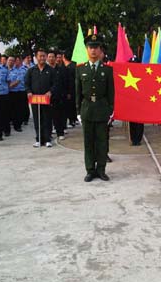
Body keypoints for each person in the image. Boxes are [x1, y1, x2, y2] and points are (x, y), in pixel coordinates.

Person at [76, 34, 114, 182]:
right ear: (87, 50)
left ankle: (101, 169)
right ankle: (90, 170)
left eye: (96, 47)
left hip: (102, 109)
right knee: (88, 141)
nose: (93, 50)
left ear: (100, 50)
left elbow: (111, 92)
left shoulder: (107, 70)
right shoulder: (80, 69)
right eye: (90, 47)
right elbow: (77, 92)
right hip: (86, 109)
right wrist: (78, 111)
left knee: (102, 141)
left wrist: (111, 110)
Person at [25, 48, 54, 147]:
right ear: (36, 57)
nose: (42, 58)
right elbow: (27, 83)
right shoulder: (31, 70)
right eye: (40, 56)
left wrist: (50, 91)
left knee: (47, 119)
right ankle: (38, 139)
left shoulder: (50, 70)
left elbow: (55, 84)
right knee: (37, 119)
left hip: (47, 99)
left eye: (43, 56)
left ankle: (48, 139)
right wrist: (29, 92)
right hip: (35, 99)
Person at [48, 49, 68, 141]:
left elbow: (65, 82)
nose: (51, 58)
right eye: (49, 57)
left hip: (59, 96)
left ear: (56, 58)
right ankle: (48, 133)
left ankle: (60, 132)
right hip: (47, 97)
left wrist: (66, 93)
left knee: (58, 116)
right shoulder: (45, 70)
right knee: (48, 117)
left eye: (53, 57)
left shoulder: (61, 69)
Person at [127, 55, 145, 146]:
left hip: (140, 102)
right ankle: (133, 139)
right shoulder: (127, 74)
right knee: (132, 121)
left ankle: (138, 138)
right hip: (130, 102)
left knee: (140, 121)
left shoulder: (143, 74)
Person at [8, 56, 25, 132]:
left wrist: (8, 87)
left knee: (16, 110)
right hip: (5, 93)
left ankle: (17, 126)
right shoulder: (4, 70)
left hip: (15, 92)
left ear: (14, 62)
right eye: (9, 60)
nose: (10, 62)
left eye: (12, 60)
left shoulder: (18, 71)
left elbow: (18, 81)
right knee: (7, 110)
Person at [62, 50, 78, 128]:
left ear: (63, 57)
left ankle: (72, 121)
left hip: (70, 90)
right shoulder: (75, 65)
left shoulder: (68, 68)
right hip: (75, 89)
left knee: (70, 106)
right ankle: (74, 120)